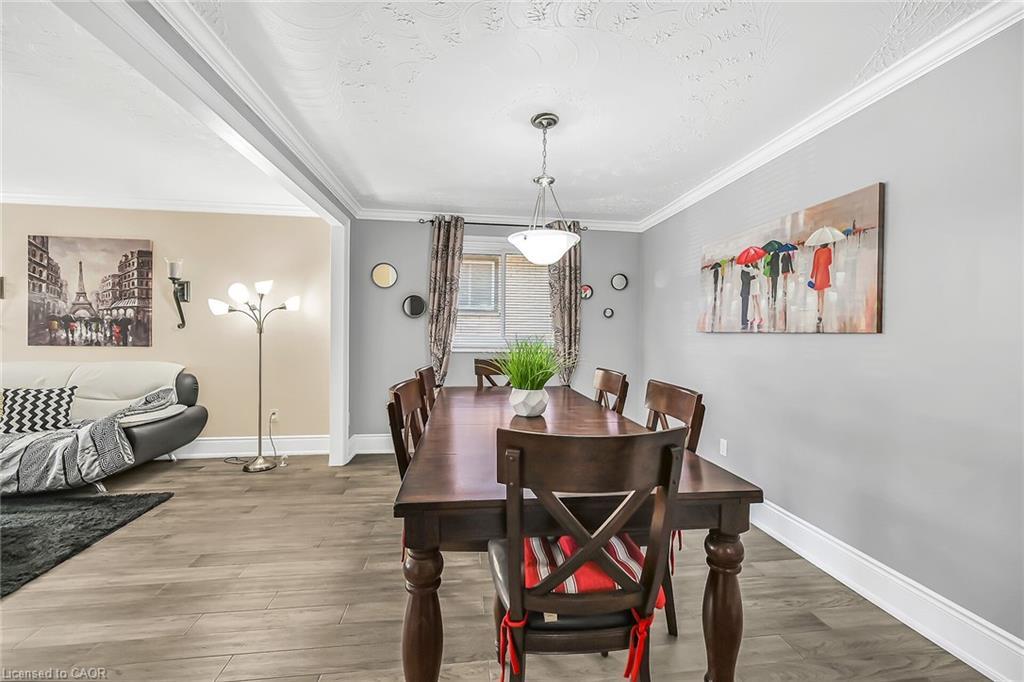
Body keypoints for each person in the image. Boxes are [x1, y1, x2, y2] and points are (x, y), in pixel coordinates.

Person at [810, 243, 833, 332]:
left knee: (818, 292)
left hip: (819, 273)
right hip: (825, 273)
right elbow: (830, 262)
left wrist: (812, 274)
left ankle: (818, 307)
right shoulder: (829, 250)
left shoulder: (817, 252)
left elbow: (815, 264)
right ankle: (821, 314)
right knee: (823, 294)